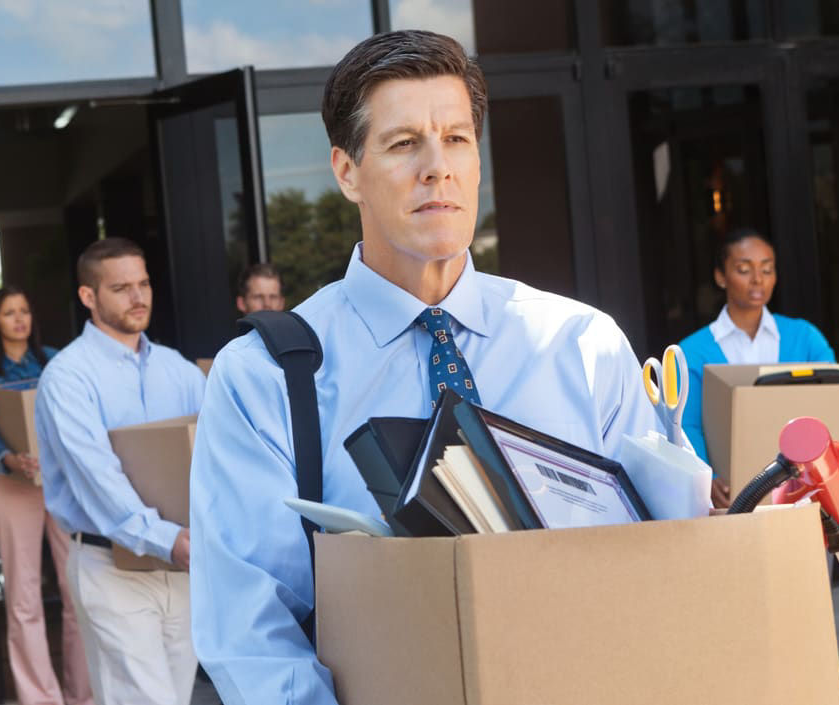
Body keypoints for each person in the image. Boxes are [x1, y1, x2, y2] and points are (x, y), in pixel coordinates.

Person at [188, 30, 664, 704]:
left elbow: (665, 557)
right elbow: (249, 629)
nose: (437, 166)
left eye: (458, 139)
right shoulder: (266, 375)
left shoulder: (581, 344)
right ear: (347, 171)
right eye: (404, 142)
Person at [34, 237, 206, 705]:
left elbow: (216, 460)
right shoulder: (67, 378)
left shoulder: (183, 373)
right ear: (89, 297)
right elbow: (97, 476)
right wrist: (167, 539)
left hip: (186, 568)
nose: (139, 297)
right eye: (122, 288)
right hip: (112, 568)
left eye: (144, 283)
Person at [0, 285, 92, 705]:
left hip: (60, 486)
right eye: (8, 313)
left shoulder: (55, 360)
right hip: (11, 489)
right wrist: (9, 458)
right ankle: (40, 698)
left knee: (78, 592)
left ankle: (83, 695)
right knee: (23, 600)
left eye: (24, 311)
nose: (19, 319)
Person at [678, 227, 839, 502]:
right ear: (721, 276)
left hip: (806, 491)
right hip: (733, 495)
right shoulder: (691, 351)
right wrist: (704, 476)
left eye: (767, 270)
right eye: (744, 269)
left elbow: (836, 395)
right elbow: (687, 425)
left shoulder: (804, 337)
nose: (758, 280)